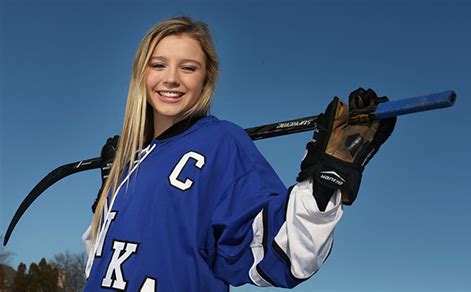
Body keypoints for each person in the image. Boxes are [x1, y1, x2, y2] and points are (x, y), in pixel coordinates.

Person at [82, 16, 396, 291]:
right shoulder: (130, 162)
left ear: (206, 78)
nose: (171, 78)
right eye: (159, 64)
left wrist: (325, 179)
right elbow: (99, 265)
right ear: (141, 73)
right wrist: (110, 189)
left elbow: (281, 254)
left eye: (188, 67)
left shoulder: (221, 142)